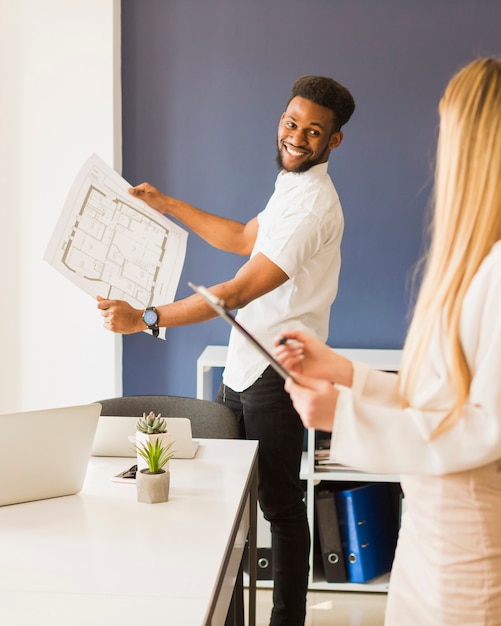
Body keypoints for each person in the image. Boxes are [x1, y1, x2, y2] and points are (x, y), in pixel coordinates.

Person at [97, 75, 355, 625]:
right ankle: (227, 614)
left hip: (277, 370)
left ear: (333, 141)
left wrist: (145, 318)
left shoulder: (313, 207)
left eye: (314, 131)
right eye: (291, 123)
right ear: (281, 119)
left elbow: (236, 292)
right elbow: (242, 237)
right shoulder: (291, 185)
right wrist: (166, 204)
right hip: (242, 366)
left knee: (280, 508)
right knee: (227, 504)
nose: (297, 137)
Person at [273, 57, 501, 626]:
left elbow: (485, 427)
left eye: (448, 131)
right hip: (427, 540)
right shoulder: (471, 263)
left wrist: (343, 414)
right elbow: (439, 396)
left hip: (468, 554)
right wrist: (343, 372)